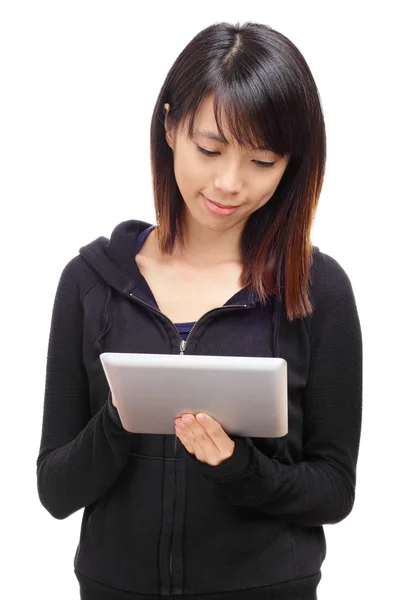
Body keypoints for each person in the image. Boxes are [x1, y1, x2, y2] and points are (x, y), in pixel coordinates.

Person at [37, 20, 363, 600]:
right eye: (209, 149)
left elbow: (334, 489)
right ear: (169, 125)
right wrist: (124, 416)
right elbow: (56, 490)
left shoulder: (318, 290)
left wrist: (241, 469)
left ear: (293, 164)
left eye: (263, 161)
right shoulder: (89, 283)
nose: (231, 182)